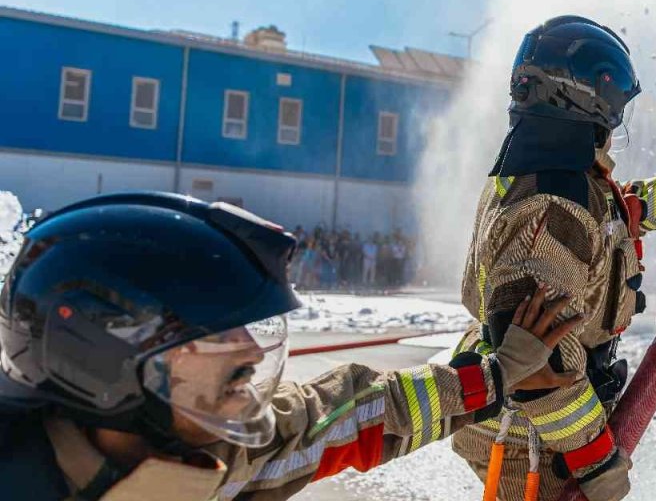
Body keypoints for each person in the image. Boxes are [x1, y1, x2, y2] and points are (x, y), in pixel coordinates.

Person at [0, 192, 583, 500]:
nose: (250, 354)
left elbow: (354, 414)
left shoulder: (214, 457)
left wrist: (497, 376)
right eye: (215, 335)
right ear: (107, 362)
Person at [450, 15, 656, 501]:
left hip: (537, 424)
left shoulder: (562, 178)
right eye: (613, 108)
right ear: (585, 102)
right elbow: (536, 372)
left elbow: (614, 217)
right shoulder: (551, 207)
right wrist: (595, 461)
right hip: (530, 439)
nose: (615, 123)